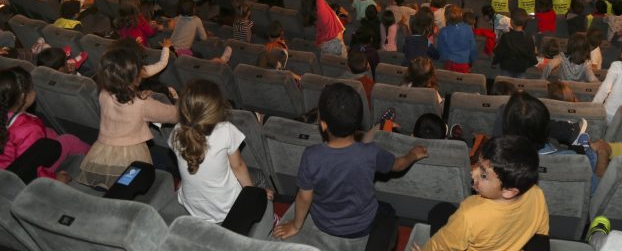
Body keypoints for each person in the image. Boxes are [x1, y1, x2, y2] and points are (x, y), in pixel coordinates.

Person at [273, 83, 427, 243]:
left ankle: (379, 126)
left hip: (324, 223)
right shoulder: (370, 153)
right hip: (363, 226)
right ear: (357, 123)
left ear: (323, 125)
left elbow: (304, 198)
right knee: (388, 210)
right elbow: (399, 165)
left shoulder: (311, 156)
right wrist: (413, 154)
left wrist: (296, 226)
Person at [170, 79, 273, 236]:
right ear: (217, 108)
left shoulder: (176, 131)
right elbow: (238, 167)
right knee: (259, 178)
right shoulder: (225, 130)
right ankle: (270, 216)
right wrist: (253, 194)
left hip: (192, 206)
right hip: (225, 207)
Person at [412, 136, 549, 251]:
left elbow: (440, 245)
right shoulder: (537, 194)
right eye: (478, 165)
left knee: (440, 211)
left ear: (508, 191)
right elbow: (541, 236)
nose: (473, 173)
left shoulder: (469, 214)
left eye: (483, 175)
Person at [78, 45, 179, 188]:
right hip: (131, 158)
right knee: (128, 187)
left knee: (109, 186)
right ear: (137, 77)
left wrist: (141, 96)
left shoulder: (103, 94)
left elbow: (122, 101)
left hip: (102, 153)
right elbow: (173, 115)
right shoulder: (142, 104)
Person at [0, 67, 90, 182]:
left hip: (5, 167)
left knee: (49, 132)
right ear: (24, 96)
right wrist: (55, 178)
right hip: (18, 177)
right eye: (32, 87)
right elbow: (32, 167)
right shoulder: (30, 129)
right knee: (69, 140)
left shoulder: (8, 116)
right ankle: (98, 160)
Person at [492, 8, 537, 78]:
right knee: (519, 86)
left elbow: (500, 52)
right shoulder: (529, 37)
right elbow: (531, 53)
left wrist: (494, 62)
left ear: (511, 21)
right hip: (521, 67)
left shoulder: (506, 36)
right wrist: (532, 63)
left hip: (507, 67)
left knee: (505, 86)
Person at [438, 5, 477, 73]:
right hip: (464, 64)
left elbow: (441, 50)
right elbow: (473, 48)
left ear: (446, 17)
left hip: (449, 63)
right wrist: (472, 61)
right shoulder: (468, 29)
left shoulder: (443, 31)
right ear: (461, 15)